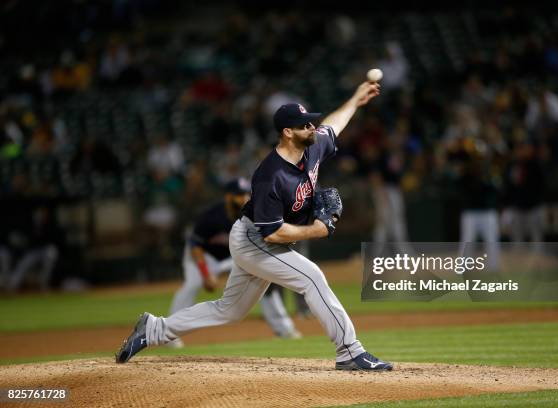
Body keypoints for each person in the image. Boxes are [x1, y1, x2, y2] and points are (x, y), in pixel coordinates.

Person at [116, 81, 393, 371]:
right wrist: (318, 229)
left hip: (265, 240)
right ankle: (349, 351)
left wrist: (356, 100)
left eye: (311, 123)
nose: (312, 128)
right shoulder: (270, 176)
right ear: (288, 132)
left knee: (230, 310)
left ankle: (153, 329)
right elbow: (273, 232)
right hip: (255, 241)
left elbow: (334, 124)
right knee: (311, 278)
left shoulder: (312, 147)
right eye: (305, 125)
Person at [167, 178, 301, 348]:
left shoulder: (254, 213)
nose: (244, 198)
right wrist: (205, 273)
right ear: (228, 197)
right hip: (203, 256)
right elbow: (195, 246)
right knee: (193, 284)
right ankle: (169, 332)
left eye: (246, 193)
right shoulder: (211, 216)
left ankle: (284, 329)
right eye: (239, 195)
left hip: (233, 256)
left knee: (264, 276)